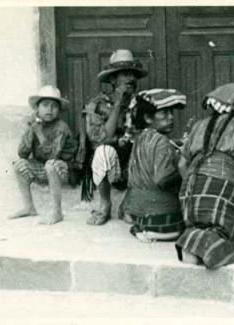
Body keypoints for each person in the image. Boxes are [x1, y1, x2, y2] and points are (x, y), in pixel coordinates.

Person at [175, 83, 234, 269]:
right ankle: (207, 248)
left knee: (199, 225)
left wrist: (194, 185)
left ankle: (191, 242)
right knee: (228, 234)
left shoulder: (198, 125)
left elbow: (182, 164)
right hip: (220, 188)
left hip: (189, 192)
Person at [76, 49, 147, 226]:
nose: (130, 78)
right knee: (103, 151)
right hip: (111, 163)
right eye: (124, 74)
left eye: (133, 74)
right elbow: (100, 138)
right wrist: (117, 104)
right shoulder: (98, 104)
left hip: (133, 162)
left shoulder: (142, 104)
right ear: (113, 79)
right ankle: (105, 203)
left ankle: (129, 204)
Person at [9, 85, 78, 225]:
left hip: (65, 169)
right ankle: (29, 207)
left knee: (51, 165)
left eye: (54, 106)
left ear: (58, 111)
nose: (49, 110)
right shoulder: (36, 124)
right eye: (45, 105)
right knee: (19, 165)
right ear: (37, 109)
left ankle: (57, 212)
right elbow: (22, 153)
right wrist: (32, 130)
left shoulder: (61, 127)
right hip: (43, 167)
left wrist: (39, 133)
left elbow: (53, 155)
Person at [125, 89, 186, 242]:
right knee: (184, 229)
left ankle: (140, 229)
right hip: (160, 214)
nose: (171, 117)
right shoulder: (162, 141)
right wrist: (184, 168)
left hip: (139, 213)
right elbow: (162, 179)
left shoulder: (139, 138)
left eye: (171, 112)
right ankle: (156, 233)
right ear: (148, 117)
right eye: (164, 113)